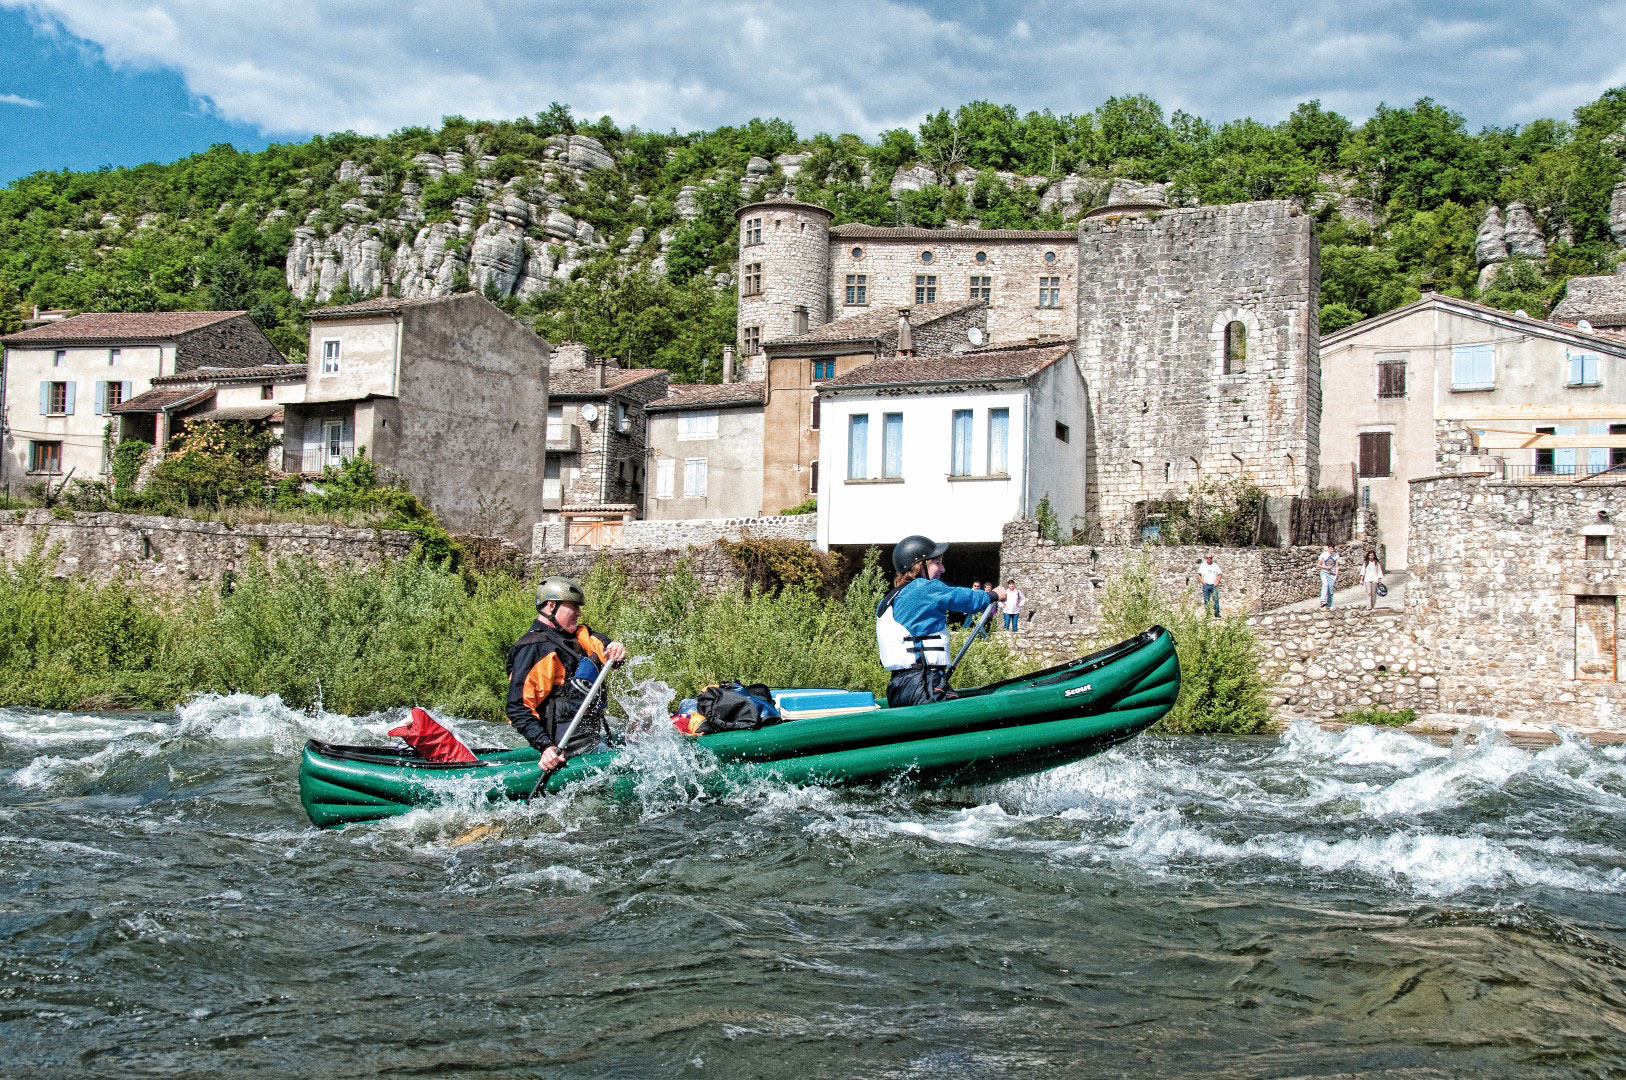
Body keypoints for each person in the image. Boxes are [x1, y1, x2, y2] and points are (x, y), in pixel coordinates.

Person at [505, 576, 628, 772]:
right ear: (551, 606)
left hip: (590, 739)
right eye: (574, 606)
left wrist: (614, 648)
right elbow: (518, 707)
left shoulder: (578, 636)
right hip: (564, 748)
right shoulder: (535, 648)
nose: (579, 613)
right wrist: (545, 747)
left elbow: (602, 646)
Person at [877, 535, 1002, 707]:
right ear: (919, 566)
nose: (942, 568)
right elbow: (962, 598)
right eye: (936, 562)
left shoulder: (891, 598)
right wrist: (993, 595)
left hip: (899, 688)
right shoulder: (923, 589)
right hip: (923, 684)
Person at [1197, 554, 1223, 618]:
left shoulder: (1215, 565)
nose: (1209, 559)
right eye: (1207, 558)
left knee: (1216, 599)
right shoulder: (1203, 565)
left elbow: (1220, 574)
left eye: (1210, 558)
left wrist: (1217, 582)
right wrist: (1203, 582)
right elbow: (1198, 574)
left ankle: (1217, 613)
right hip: (1206, 585)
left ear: (1212, 558)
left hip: (1213, 586)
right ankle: (1208, 614)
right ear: (1205, 558)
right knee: (1206, 600)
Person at [1316, 544, 1341, 609]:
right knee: (1325, 584)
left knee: (1330, 590)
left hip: (1332, 574)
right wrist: (1326, 567)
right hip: (1324, 572)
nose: (1331, 550)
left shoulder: (1336, 556)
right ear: (1328, 548)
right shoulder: (1323, 555)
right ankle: (1323, 601)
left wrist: (1337, 574)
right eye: (1330, 549)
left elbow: (1337, 566)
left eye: (1333, 549)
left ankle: (1329, 605)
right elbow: (1318, 565)